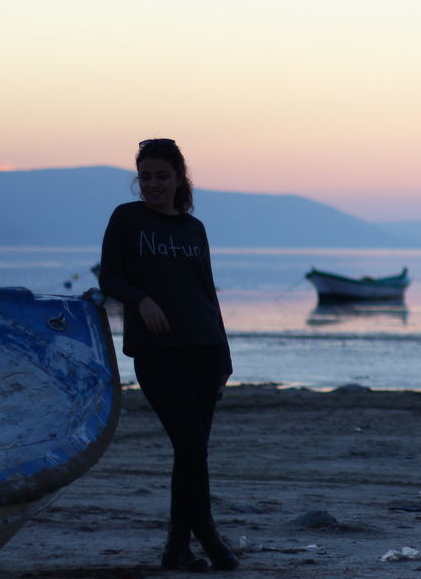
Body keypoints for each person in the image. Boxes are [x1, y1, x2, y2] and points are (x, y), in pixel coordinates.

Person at [98, 138, 238, 572]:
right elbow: (109, 276)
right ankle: (208, 537)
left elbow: (207, 295)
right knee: (191, 444)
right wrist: (141, 300)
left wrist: (225, 356)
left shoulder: (194, 229)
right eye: (145, 177)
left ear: (180, 178)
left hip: (205, 348)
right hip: (157, 352)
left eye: (162, 176)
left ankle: (177, 547)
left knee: (192, 451)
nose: (153, 184)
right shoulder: (127, 219)